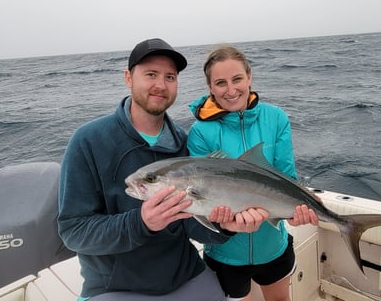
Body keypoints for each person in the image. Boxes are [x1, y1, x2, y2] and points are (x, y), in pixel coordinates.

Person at [57, 38, 271, 301]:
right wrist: (141, 222)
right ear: (128, 78)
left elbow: (192, 225)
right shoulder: (89, 140)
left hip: (186, 274)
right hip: (115, 287)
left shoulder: (183, 143)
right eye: (150, 74)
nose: (160, 85)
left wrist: (225, 226)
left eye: (170, 76)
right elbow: (73, 231)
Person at [187, 45, 319, 301]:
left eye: (237, 79)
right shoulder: (201, 132)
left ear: (250, 77)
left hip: (273, 246)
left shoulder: (275, 118)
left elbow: (286, 176)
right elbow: (202, 196)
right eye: (220, 83)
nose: (231, 89)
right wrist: (224, 223)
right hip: (226, 254)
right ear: (210, 88)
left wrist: (299, 207)